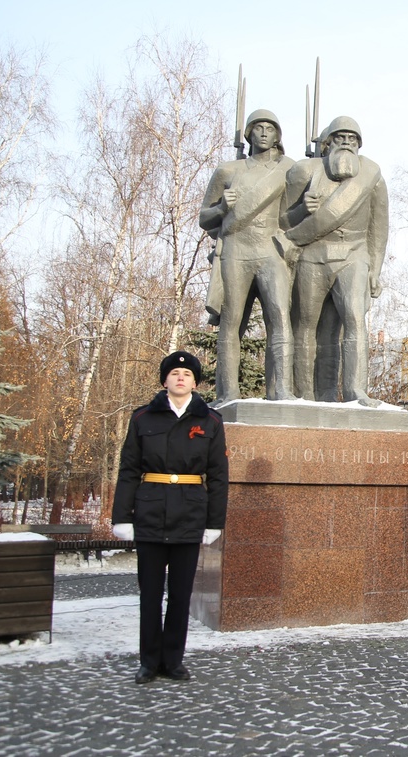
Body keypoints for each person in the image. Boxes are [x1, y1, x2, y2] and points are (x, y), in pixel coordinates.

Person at [111, 351, 228, 685]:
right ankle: (149, 662)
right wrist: (123, 516)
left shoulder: (210, 421)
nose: (180, 378)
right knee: (149, 595)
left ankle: (173, 661)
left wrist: (214, 523)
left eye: (187, 374)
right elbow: (129, 470)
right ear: (164, 380)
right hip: (149, 513)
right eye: (174, 373)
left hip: (190, 515)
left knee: (180, 595)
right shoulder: (143, 418)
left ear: (195, 382)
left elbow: (218, 477)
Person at [283, 116, 388, 404]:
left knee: (355, 320)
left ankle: (355, 391)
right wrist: (302, 210)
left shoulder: (372, 176)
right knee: (306, 325)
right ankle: (304, 394)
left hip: (354, 255)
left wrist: (375, 270)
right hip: (312, 256)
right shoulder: (304, 171)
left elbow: (379, 228)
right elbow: (282, 222)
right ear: (327, 143)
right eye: (340, 138)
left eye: (352, 139)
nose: (346, 143)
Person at [198, 110, 296, 402]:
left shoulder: (289, 169)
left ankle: (281, 390)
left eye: (270, 128)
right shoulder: (228, 171)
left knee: (279, 318)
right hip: (236, 249)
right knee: (231, 321)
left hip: (270, 250)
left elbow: (293, 215)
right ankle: (227, 394)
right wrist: (221, 208)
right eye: (258, 128)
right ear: (249, 134)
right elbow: (205, 218)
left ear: (278, 136)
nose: (264, 133)